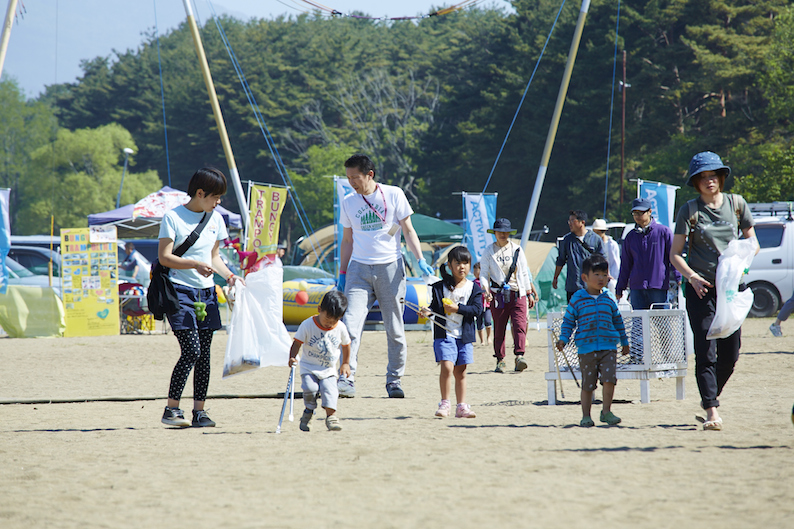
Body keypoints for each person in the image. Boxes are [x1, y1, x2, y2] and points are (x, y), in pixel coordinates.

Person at [670, 151, 756, 431]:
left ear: (721, 177)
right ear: (695, 182)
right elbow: (675, 254)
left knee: (730, 353)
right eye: (703, 177)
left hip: (731, 287)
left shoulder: (737, 204)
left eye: (713, 176)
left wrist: (743, 264)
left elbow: (752, 243)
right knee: (705, 350)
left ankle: (710, 395)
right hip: (701, 288)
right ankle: (711, 410)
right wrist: (692, 278)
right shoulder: (689, 210)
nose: (709, 181)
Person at [337, 154, 434, 399]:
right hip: (358, 270)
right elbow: (347, 240)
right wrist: (342, 272)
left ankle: (394, 380)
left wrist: (420, 260)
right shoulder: (348, 202)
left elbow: (408, 230)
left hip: (390, 268)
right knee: (350, 325)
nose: (351, 183)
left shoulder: (393, 194)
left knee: (394, 328)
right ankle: (346, 377)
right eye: (348, 178)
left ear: (370, 174)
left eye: (355, 178)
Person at [159, 167, 244, 428]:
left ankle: (199, 412)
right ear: (199, 193)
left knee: (204, 355)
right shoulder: (172, 217)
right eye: (215, 197)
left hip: (207, 294)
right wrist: (194, 264)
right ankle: (171, 410)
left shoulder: (215, 219)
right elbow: (165, 257)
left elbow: (215, 258)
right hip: (179, 292)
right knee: (192, 350)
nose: (218, 202)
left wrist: (230, 276)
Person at [556, 254, 630, 427]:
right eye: (596, 274)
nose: (601, 278)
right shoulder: (577, 299)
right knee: (588, 384)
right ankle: (586, 416)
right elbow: (568, 322)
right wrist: (563, 339)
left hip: (608, 347)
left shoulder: (609, 297)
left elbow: (618, 320)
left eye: (604, 275)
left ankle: (606, 412)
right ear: (585, 277)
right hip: (586, 349)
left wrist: (624, 341)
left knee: (609, 379)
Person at [422, 246, 482, 419]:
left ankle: (461, 406)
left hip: (464, 336)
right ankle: (445, 403)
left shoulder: (474, 288)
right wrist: (427, 311)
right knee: (447, 367)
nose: (461, 267)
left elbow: (477, 310)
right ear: (449, 265)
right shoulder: (439, 287)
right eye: (457, 263)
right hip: (444, 334)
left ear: (470, 265)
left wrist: (458, 308)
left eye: (465, 263)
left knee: (461, 372)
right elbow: (434, 307)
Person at [478, 218, 537, 373]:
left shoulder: (517, 250)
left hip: (518, 293)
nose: (503, 234)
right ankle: (500, 359)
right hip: (497, 295)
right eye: (500, 232)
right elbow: (484, 273)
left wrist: (528, 293)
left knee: (519, 325)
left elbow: (524, 272)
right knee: (499, 327)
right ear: (495, 233)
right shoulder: (488, 251)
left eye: (506, 232)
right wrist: (486, 289)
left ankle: (519, 356)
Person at [288, 290, 351, 432]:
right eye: (327, 319)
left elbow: (346, 345)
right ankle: (309, 412)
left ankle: (331, 417)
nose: (330, 323)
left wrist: (345, 363)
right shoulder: (307, 325)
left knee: (330, 392)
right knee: (310, 389)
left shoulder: (340, 328)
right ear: (319, 310)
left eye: (334, 320)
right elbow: (297, 343)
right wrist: (292, 357)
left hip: (328, 369)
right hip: (309, 367)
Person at [616, 198, 680, 309]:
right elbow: (625, 264)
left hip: (658, 286)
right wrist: (620, 287)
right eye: (635, 213)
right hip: (637, 287)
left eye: (641, 213)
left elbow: (674, 257)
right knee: (638, 323)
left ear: (650, 212)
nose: (637, 216)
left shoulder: (664, 232)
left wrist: (679, 279)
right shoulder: (630, 236)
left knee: (661, 322)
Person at [553, 210, 604, 302]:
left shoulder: (595, 239)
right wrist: (555, 278)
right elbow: (560, 260)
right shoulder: (567, 240)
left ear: (582, 222)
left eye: (573, 220)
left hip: (592, 287)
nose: (570, 223)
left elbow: (602, 261)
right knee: (574, 314)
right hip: (573, 287)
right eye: (569, 221)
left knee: (591, 314)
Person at [591, 218, 620, 295]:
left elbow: (615, 263)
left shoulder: (612, 244)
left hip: (611, 280)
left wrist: (611, 277)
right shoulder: (592, 244)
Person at [472, 262, 492, 346]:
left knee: (488, 321)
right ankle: (482, 340)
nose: (475, 273)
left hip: (486, 305)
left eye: (477, 271)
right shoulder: (473, 283)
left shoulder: (486, 282)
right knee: (479, 323)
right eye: (474, 271)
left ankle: (488, 337)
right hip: (477, 306)